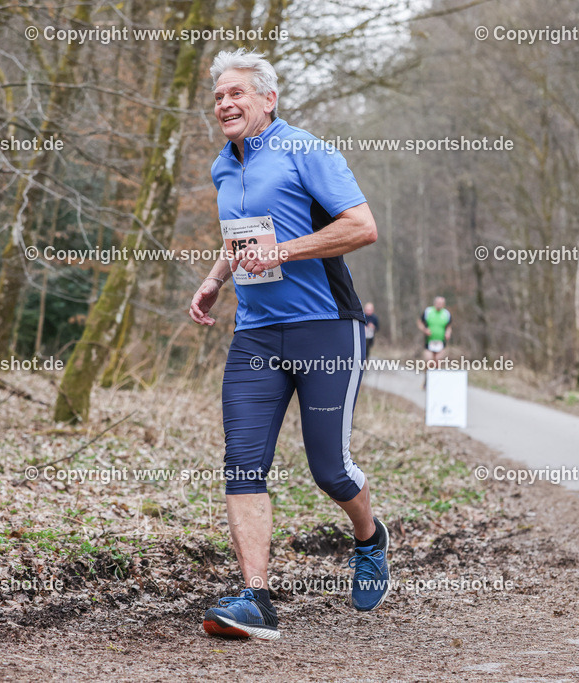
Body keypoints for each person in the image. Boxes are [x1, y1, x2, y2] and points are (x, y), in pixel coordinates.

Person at [188, 49, 390, 641]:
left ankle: (370, 537)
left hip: (325, 326)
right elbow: (243, 235)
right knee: (242, 460)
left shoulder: (307, 150)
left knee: (329, 469)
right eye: (219, 95)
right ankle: (256, 598)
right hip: (255, 334)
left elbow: (361, 226)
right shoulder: (223, 166)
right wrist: (214, 279)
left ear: (268, 99)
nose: (225, 103)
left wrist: (287, 250)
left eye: (237, 94)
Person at [417, 296, 452, 367]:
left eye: (441, 303)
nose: (439, 304)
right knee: (429, 361)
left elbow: (449, 326)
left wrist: (448, 333)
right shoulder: (428, 311)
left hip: (441, 341)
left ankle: (436, 377)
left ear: (444, 304)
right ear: (434, 303)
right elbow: (419, 322)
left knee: (438, 361)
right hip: (429, 340)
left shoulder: (446, 313)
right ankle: (427, 376)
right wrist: (425, 330)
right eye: (438, 303)